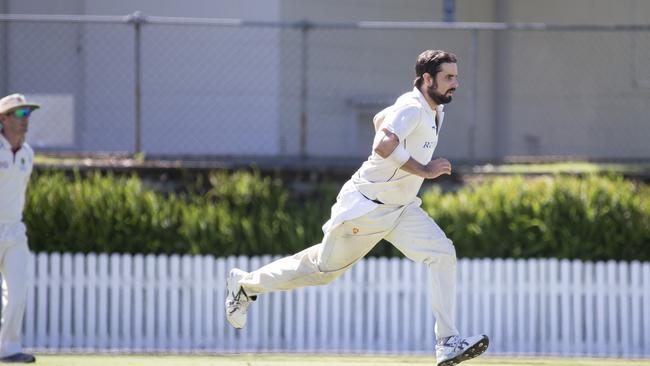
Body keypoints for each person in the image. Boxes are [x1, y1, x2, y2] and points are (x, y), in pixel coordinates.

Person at [225, 50, 489, 366]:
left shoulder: (434, 109)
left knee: (443, 254)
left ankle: (447, 342)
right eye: (449, 77)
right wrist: (425, 170)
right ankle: (244, 285)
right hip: (366, 209)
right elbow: (382, 144)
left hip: (402, 210)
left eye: (456, 77)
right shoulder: (411, 107)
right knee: (321, 271)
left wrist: (412, 165)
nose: (455, 84)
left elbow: (379, 121)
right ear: (427, 79)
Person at [0, 94, 39, 363]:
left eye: (28, 114)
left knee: (18, 289)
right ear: (3, 118)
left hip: (15, 230)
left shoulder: (27, 154)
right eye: (20, 114)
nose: (26, 120)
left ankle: (9, 349)